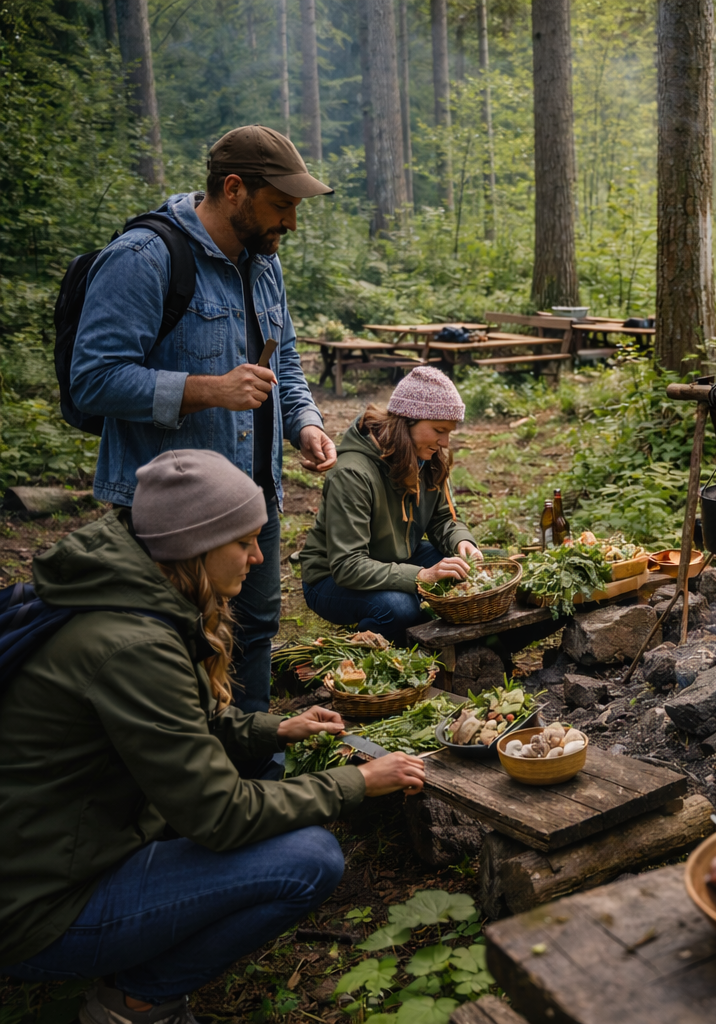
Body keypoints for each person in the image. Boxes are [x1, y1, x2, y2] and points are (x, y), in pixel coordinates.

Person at [0, 450, 426, 1024]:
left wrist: (276, 729)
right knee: (309, 858)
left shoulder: (129, 595)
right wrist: (356, 780)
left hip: (71, 850)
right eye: (244, 541)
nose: (258, 556)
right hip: (40, 911)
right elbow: (219, 813)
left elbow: (179, 724)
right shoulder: (133, 644)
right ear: (193, 545)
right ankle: (136, 1002)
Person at [71, 125, 339, 715]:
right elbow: (92, 380)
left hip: (255, 501)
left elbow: (285, 362)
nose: (291, 224)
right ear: (235, 188)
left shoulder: (262, 262)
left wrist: (305, 423)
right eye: (282, 206)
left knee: (252, 637)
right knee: (171, 652)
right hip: (172, 517)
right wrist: (206, 390)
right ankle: (187, 787)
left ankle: (256, 779)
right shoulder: (143, 259)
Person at [300, 367, 482, 645]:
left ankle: (434, 641)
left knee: (479, 569)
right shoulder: (353, 473)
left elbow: (443, 520)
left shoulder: (427, 458)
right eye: (438, 430)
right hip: (332, 578)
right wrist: (421, 576)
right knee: (400, 607)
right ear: (407, 421)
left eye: (449, 432)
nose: (445, 442)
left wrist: (462, 543)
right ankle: (366, 647)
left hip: (397, 557)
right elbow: (348, 565)